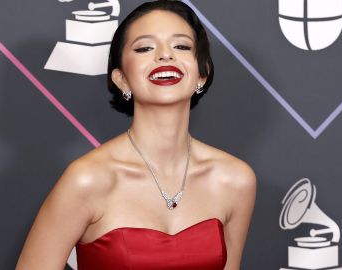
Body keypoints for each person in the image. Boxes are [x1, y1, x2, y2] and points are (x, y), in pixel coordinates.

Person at [16, 1, 256, 269]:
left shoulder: (235, 180)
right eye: (145, 48)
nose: (165, 55)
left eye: (181, 46)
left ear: (202, 74)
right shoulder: (87, 179)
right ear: (122, 79)